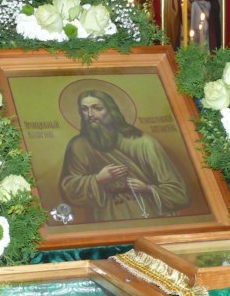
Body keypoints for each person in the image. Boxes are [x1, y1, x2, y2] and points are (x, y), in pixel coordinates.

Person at [59, 89, 191, 223]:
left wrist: (147, 189)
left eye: (97, 108)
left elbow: (179, 193)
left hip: (147, 213)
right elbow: (69, 189)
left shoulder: (143, 142)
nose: (90, 114)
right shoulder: (79, 146)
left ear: (112, 111)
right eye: (84, 109)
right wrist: (98, 179)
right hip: (105, 219)